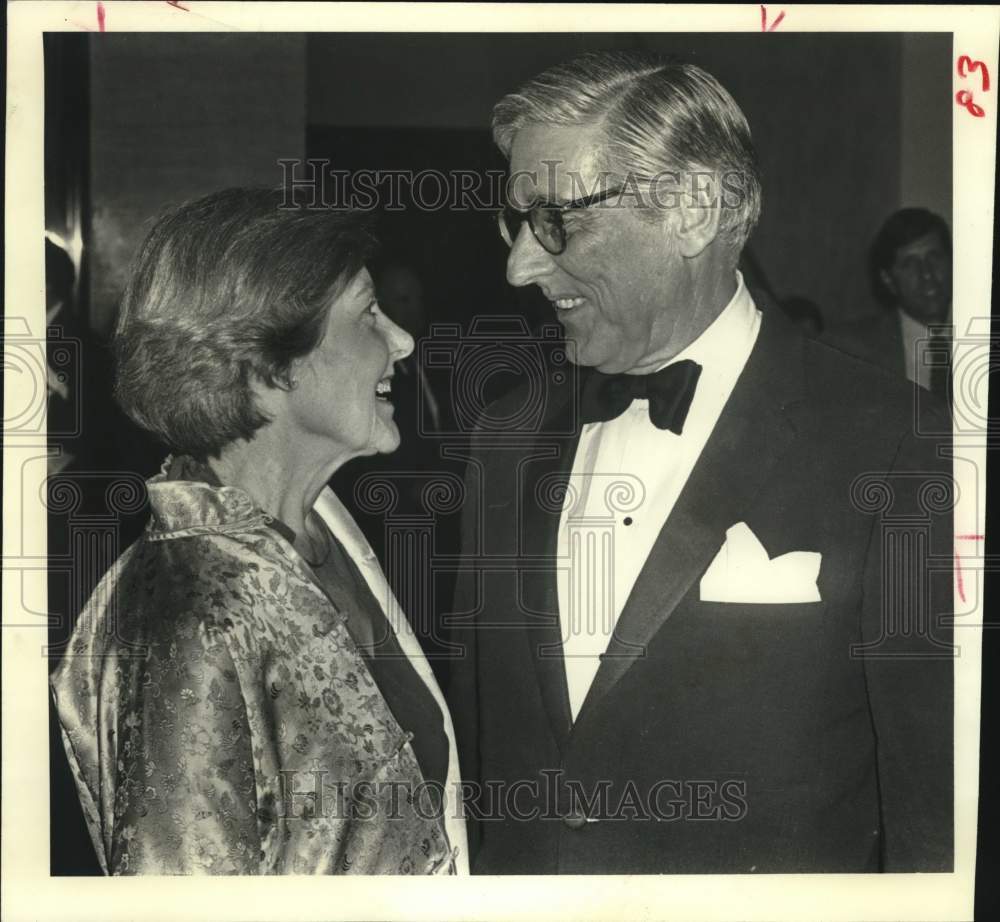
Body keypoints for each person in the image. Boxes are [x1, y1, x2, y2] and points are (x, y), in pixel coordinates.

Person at [449, 52, 952, 874]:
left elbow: (935, 824)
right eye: (516, 223)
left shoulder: (901, 446)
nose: (520, 266)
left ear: (692, 210)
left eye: (555, 221)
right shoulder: (505, 435)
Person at [49, 188, 467, 875]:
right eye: (368, 315)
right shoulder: (184, 611)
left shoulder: (323, 527)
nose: (403, 339)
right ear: (268, 365)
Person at [831, 209, 952, 395]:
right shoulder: (850, 350)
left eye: (934, 257)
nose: (927, 274)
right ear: (888, 280)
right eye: (910, 264)